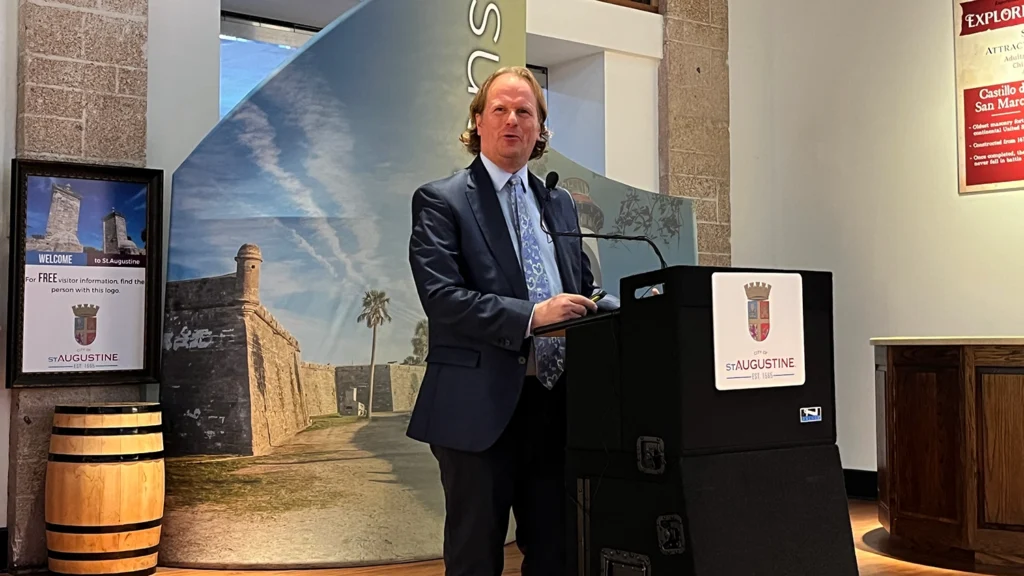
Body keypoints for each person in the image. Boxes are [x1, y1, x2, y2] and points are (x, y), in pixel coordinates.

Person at [406, 65, 599, 576]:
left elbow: (579, 284)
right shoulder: (441, 200)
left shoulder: (558, 203)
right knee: (475, 557)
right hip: (479, 408)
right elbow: (442, 298)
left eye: (524, 111)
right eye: (500, 109)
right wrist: (533, 316)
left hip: (556, 407)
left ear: (540, 128)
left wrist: (603, 305)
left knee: (558, 554)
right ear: (478, 121)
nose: (512, 120)